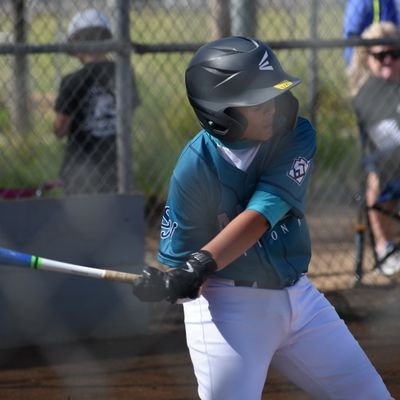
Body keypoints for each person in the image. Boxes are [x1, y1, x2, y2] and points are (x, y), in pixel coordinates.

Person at [132, 36, 392, 399]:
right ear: (220, 113)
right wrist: (172, 284)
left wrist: (201, 262)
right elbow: (184, 272)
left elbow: (263, 212)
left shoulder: (295, 134)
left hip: (300, 297)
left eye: (274, 93)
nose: (272, 106)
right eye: (257, 101)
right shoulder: (195, 169)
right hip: (228, 310)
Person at [53, 9, 140, 195]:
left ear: (76, 46)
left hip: (80, 167)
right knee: (118, 214)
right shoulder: (123, 73)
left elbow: (60, 129)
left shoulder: (73, 81)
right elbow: (128, 115)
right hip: (116, 163)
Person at [348, 21, 400, 276]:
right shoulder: (367, 94)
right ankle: (384, 247)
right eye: (380, 55)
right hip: (385, 159)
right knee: (376, 176)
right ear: (368, 58)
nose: (388, 60)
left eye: (395, 53)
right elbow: (387, 139)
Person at [343, 0, 398, 65]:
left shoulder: (389, 2)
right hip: (367, 57)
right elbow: (352, 34)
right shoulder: (360, 2)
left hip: (387, 53)